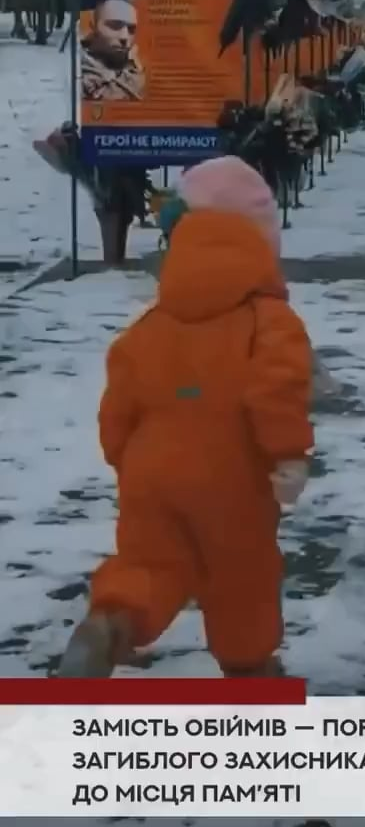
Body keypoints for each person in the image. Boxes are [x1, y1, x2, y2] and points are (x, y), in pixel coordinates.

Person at [57, 156, 315, 678]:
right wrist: (287, 456)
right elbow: (276, 390)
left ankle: (111, 624)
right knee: (242, 576)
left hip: (152, 475)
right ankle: (250, 671)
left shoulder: (152, 325)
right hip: (232, 477)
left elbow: (118, 405)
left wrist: (126, 460)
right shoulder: (269, 320)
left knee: (149, 565)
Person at [81, 0, 145, 101]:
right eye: (115, 26)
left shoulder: (135, 68)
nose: (125, 37)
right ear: (93, 27)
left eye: (131, 29)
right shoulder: (74, 71)